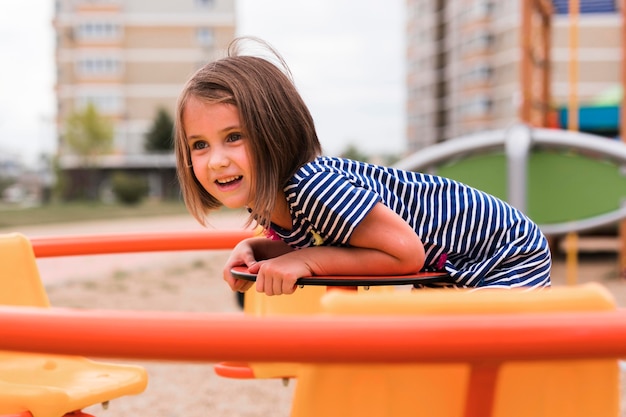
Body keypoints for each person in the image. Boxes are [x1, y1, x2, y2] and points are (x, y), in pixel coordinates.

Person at [174, 37, 552, 297]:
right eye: (200, 145)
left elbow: (405, 253)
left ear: (277, 132)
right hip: (454, 263)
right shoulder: (270, 198)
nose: (217, 159)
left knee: (475, 355)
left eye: (234, 137)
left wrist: (303, 260)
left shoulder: (313, 187)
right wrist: (258, 249)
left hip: (502, 254)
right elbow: (328, 242)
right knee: (435, 357)